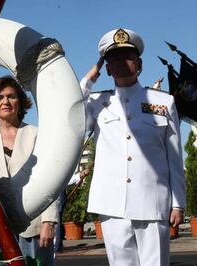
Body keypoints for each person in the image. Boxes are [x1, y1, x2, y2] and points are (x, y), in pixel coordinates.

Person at [80, 28, 186, 266]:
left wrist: (178, 202)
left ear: (139, 64)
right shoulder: (96, 103)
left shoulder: (163, 101)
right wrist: (89, 78)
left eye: (127, 57)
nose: (120, 63)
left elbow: (175, 156)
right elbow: (71, 112)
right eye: (113, 59)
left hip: (153, 202)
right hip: (111, 203)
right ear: (106, 67)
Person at [0, 76, 58, 265]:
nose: (5, 101)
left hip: (34, 223)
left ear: (20, 103)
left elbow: (52, 178)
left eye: (11, 96)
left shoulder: (38, 134)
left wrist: (49, 221)